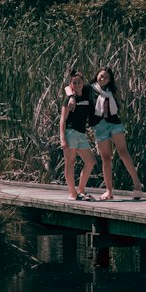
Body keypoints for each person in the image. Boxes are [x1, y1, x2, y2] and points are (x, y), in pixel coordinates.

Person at [91, 66, 144, 201]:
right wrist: (72, 98)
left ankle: (137, 184)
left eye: (106, 77)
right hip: (100, 125)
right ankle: (109, 191)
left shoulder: (111, 91)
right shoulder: (90, 89)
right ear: (97, 76)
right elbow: (71, 88)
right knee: (106, 158)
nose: (103, 79)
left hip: (114, 123)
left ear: (110, 80)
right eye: (101, 76)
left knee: (123, 152)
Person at [60, 68, 96, 200]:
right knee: (70, 162)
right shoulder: (68, 100)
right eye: (74, 83)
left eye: (79, 82)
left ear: (83, 83)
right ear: (71, 84)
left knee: (90, 161)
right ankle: (72, 194)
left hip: (81, 134)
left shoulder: (86, 92)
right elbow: (63, 120)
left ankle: (81, 190)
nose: (77, 85)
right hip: (70, 132)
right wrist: (62, 138)